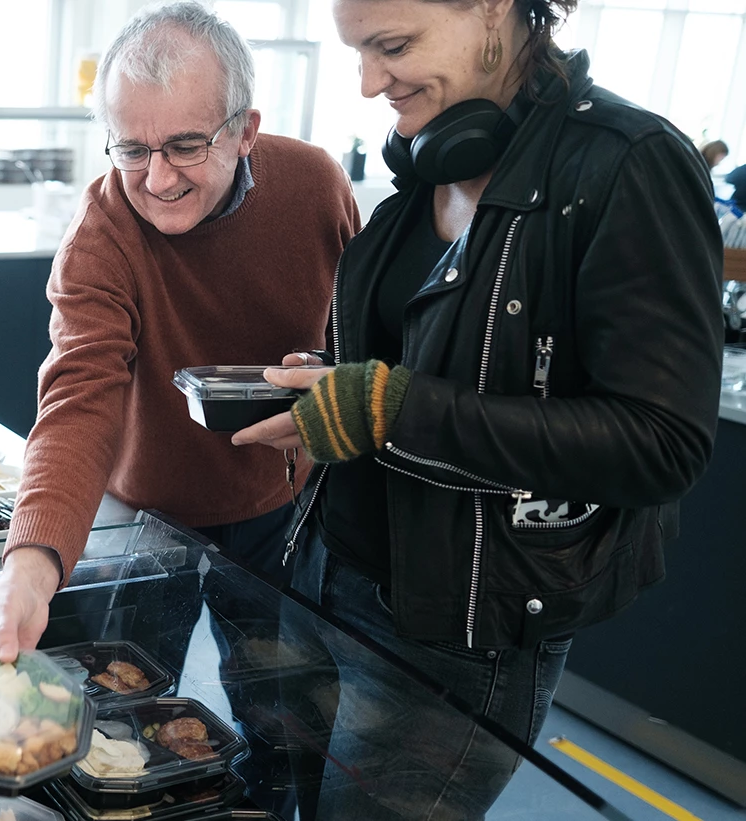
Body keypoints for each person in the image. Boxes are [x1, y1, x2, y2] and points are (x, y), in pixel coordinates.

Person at [232, 0, 722, 813]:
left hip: (456, 631)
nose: (366, 83)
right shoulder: (435, 156)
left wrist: (389, 407)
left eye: (392, 47)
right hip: (324, 577)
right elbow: (435, 366)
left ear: (496, 7)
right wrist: (338, 389)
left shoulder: (629, 165)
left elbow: (661, 442)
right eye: (357, 52)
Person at [0, 2, 360, 661]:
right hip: (142, 513)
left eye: (184, 146)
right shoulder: (100, 234)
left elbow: (361, 339)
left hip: (280, 497)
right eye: (133, 150)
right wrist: (29, 565)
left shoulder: (314, 186)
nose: (158, 178)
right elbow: (77, 402)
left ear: (244, 131)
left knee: (285, 719)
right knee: (126, 720)